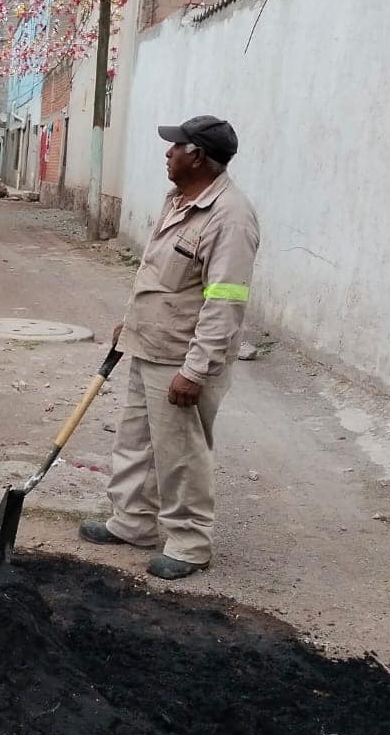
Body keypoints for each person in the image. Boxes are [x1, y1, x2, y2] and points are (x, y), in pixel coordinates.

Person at [79, 115, 260, 580]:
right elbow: (159, 276)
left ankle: (189, 542)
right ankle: (132, 521)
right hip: (151, 343)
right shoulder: (178, 200)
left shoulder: (231, 218)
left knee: (180, 452)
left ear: (197, 155)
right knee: (136, 441)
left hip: (183, 356)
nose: (167, 153)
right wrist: (132, 322)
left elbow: (226, 302)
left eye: (175, 146)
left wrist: (196, 371)